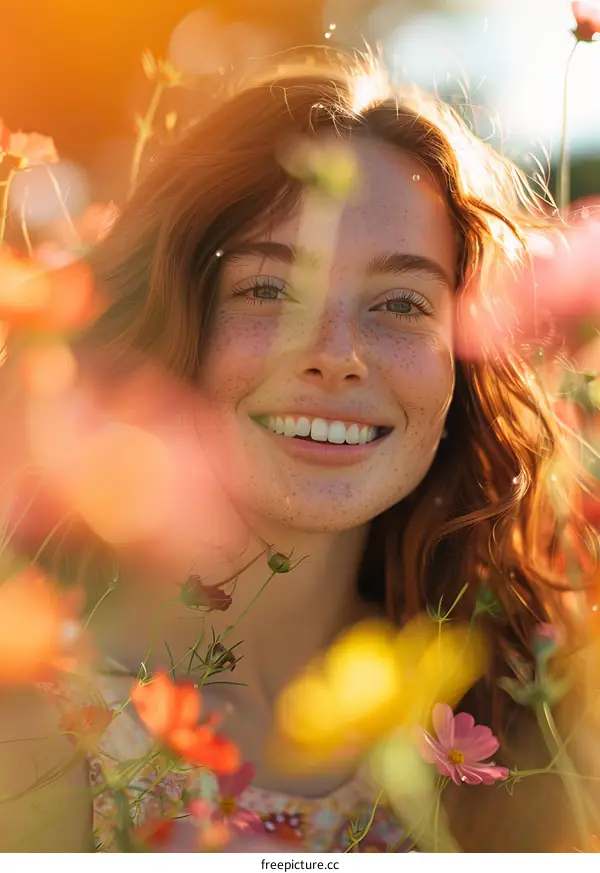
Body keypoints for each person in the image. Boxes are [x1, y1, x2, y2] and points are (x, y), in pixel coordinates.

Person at [0, 53, 597, 853]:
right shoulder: (33, 719)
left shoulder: (526, 719)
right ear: (166, 312)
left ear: (468, 362)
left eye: (400, 302)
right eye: (269, 290)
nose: (336, 353)